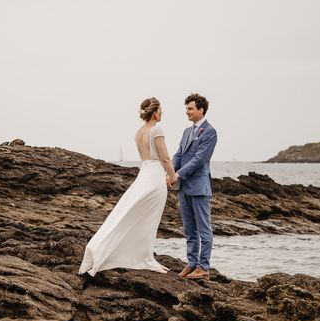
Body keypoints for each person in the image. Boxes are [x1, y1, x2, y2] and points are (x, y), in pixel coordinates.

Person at [79, 98, 178, 276]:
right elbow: (165, 158)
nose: (162, 113)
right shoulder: (157, 129)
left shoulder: (139, 132)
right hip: (155, 177)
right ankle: (145, 258)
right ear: (155, 112)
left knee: (129, 214)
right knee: (148, 219)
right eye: (161, 110)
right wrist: (173, 176)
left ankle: (134, 255)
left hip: (144, 175)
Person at [169, 93, 218, 280]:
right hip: (184, 188)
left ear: (201, 109)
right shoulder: (186, 132)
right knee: (189, 229)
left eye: (190, 109)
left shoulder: (210, 132)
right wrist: (172, 171)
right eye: (187, 109)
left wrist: (177, 174)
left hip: (199, 187)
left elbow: (199, 159)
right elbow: (178, 154)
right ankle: (191, 263)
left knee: (204, 229)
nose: (187, 112)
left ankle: (203, 267)